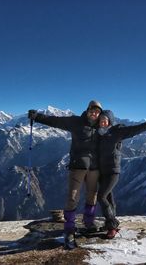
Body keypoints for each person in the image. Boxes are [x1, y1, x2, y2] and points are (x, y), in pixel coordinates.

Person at [28, 100, 102, 249]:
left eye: (97, 112)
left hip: (95, 168)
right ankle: (69, 228)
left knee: (92, 195)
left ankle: (89, 222)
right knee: (72, 197)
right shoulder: (76, 122)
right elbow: (56, 121)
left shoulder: (102, 126)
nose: (94, 113)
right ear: (87, 110)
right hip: (78, 167)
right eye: (92, 110)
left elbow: (120, 133)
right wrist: (38, 117)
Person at [97, 110, 146, 239]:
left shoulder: (116, 132)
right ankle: (112, 224)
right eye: (100, 119)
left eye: (105, 119)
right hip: (101, 171)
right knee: (108, 198)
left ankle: (112, 226)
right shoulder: (98, 134)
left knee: (101, 197)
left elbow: (133, 130)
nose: (102, 121)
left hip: (113, 171)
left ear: (109, 121)